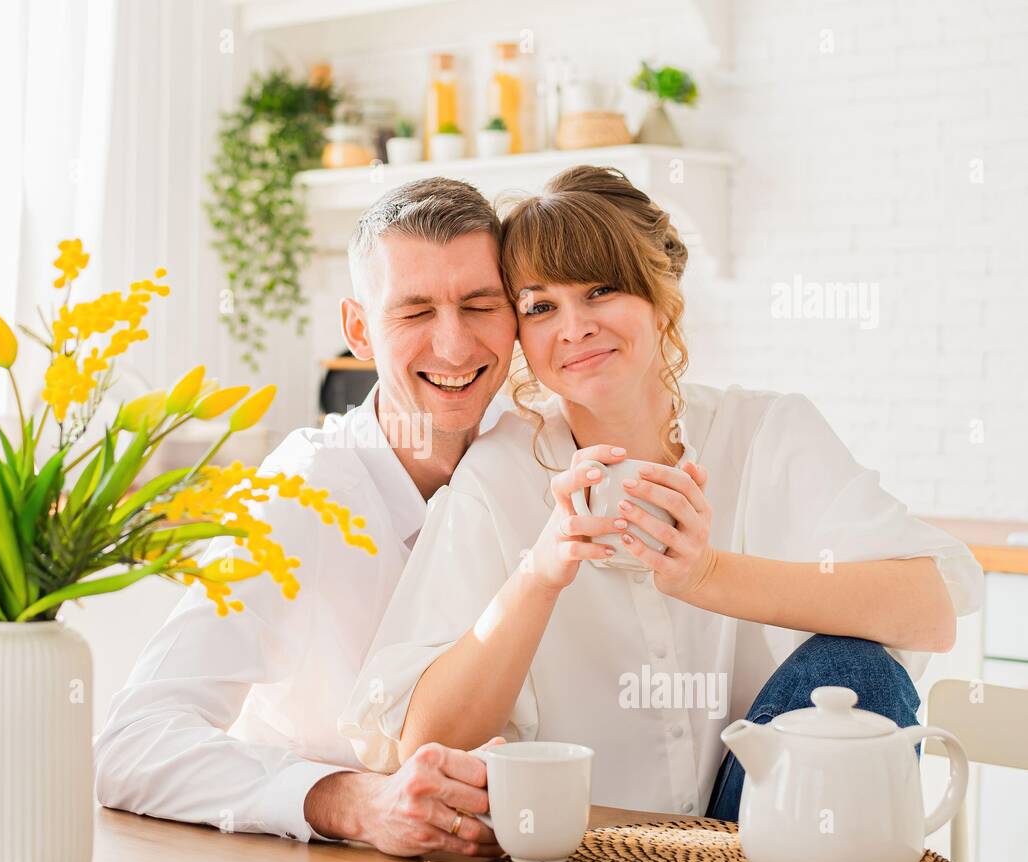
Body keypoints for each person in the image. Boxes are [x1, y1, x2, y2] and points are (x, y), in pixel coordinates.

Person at [340, 166, 983, 821]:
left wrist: (707, 574)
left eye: (601, 289)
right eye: (540, 305)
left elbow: (929, 612)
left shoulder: (765, 433)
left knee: (857, 668)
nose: (575, 326)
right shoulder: (497, 474)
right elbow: (426, 742)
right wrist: (541, 572)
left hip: (760, 829)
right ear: (519, 338)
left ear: (661, 296)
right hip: (586, 844)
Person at [94, 178, 517, 856]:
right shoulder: (300, 494)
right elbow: (131, 743)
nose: (455, 343)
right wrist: (351, 799)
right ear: (358, 331)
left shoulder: (528, 460)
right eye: (414, 312)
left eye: (478, 305)